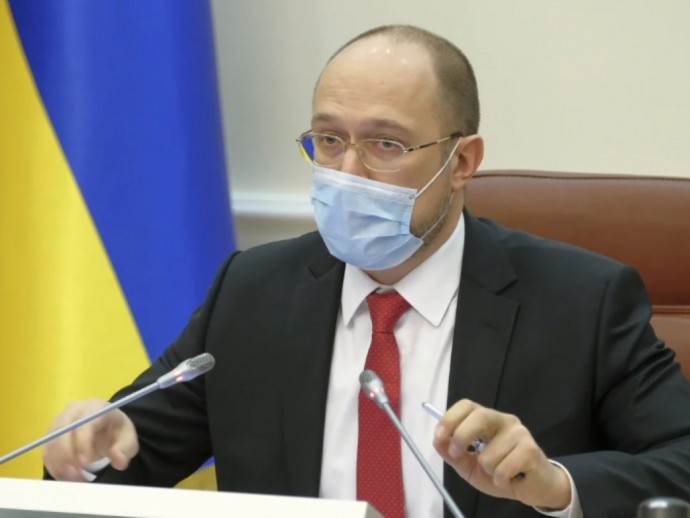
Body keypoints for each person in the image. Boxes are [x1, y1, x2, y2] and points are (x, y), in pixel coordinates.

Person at [43, 24, 690, 518]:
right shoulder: (252, 292)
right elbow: (121, 464)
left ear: (463, 162)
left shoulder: (581, 301)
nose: (347, 172)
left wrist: (556, 486)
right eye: (329, 140)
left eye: (386, 144)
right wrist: (92, 449)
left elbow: (682, 462)